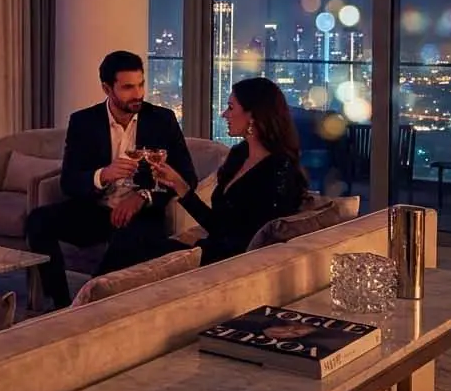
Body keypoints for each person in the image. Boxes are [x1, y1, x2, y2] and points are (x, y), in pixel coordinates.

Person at [25, 51, 197, 310]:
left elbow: (187, 177)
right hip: (96, 211)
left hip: (142, 214)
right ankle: (59, 303)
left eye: (140, 84)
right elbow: (69, 182)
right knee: (37, 221)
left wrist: (143, 196)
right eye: (128, 87)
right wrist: (102, 175)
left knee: (130, 239)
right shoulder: (84, 122)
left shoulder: (162, 120)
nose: (138, 93)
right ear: (107, 88)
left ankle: (86, 306)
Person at [147, 76, 310, 266]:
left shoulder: (279, 170)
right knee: (131, 246)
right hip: (209, 249)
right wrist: (180, 186)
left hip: (226, 263)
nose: (224, 114)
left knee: (139, 252)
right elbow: (218, 224)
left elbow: (250, 240)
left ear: (253, 116)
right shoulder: (239, 154)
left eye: (231, 108)